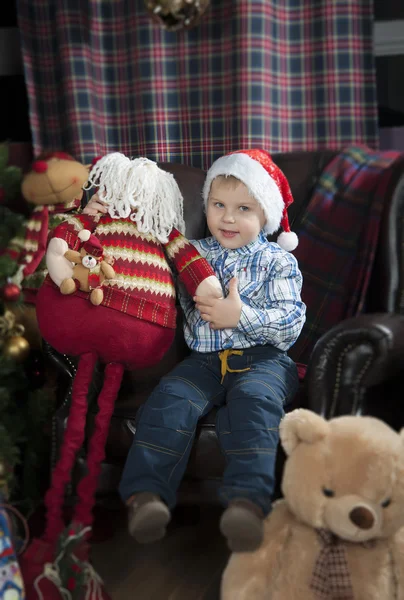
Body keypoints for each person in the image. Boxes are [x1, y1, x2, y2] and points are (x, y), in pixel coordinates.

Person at [83, 149, 306, 552]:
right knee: (169, 402)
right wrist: (96, 214)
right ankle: (145, 497)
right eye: (218, 205)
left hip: (264, 360)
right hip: (202, 362)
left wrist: (239, 315)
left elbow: (290, 323)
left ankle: (247, 504)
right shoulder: (193, 251)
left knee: (255, 405)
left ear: (266, 216)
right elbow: (141, 237)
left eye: (243, 208)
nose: (228, 217)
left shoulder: (278, 261)